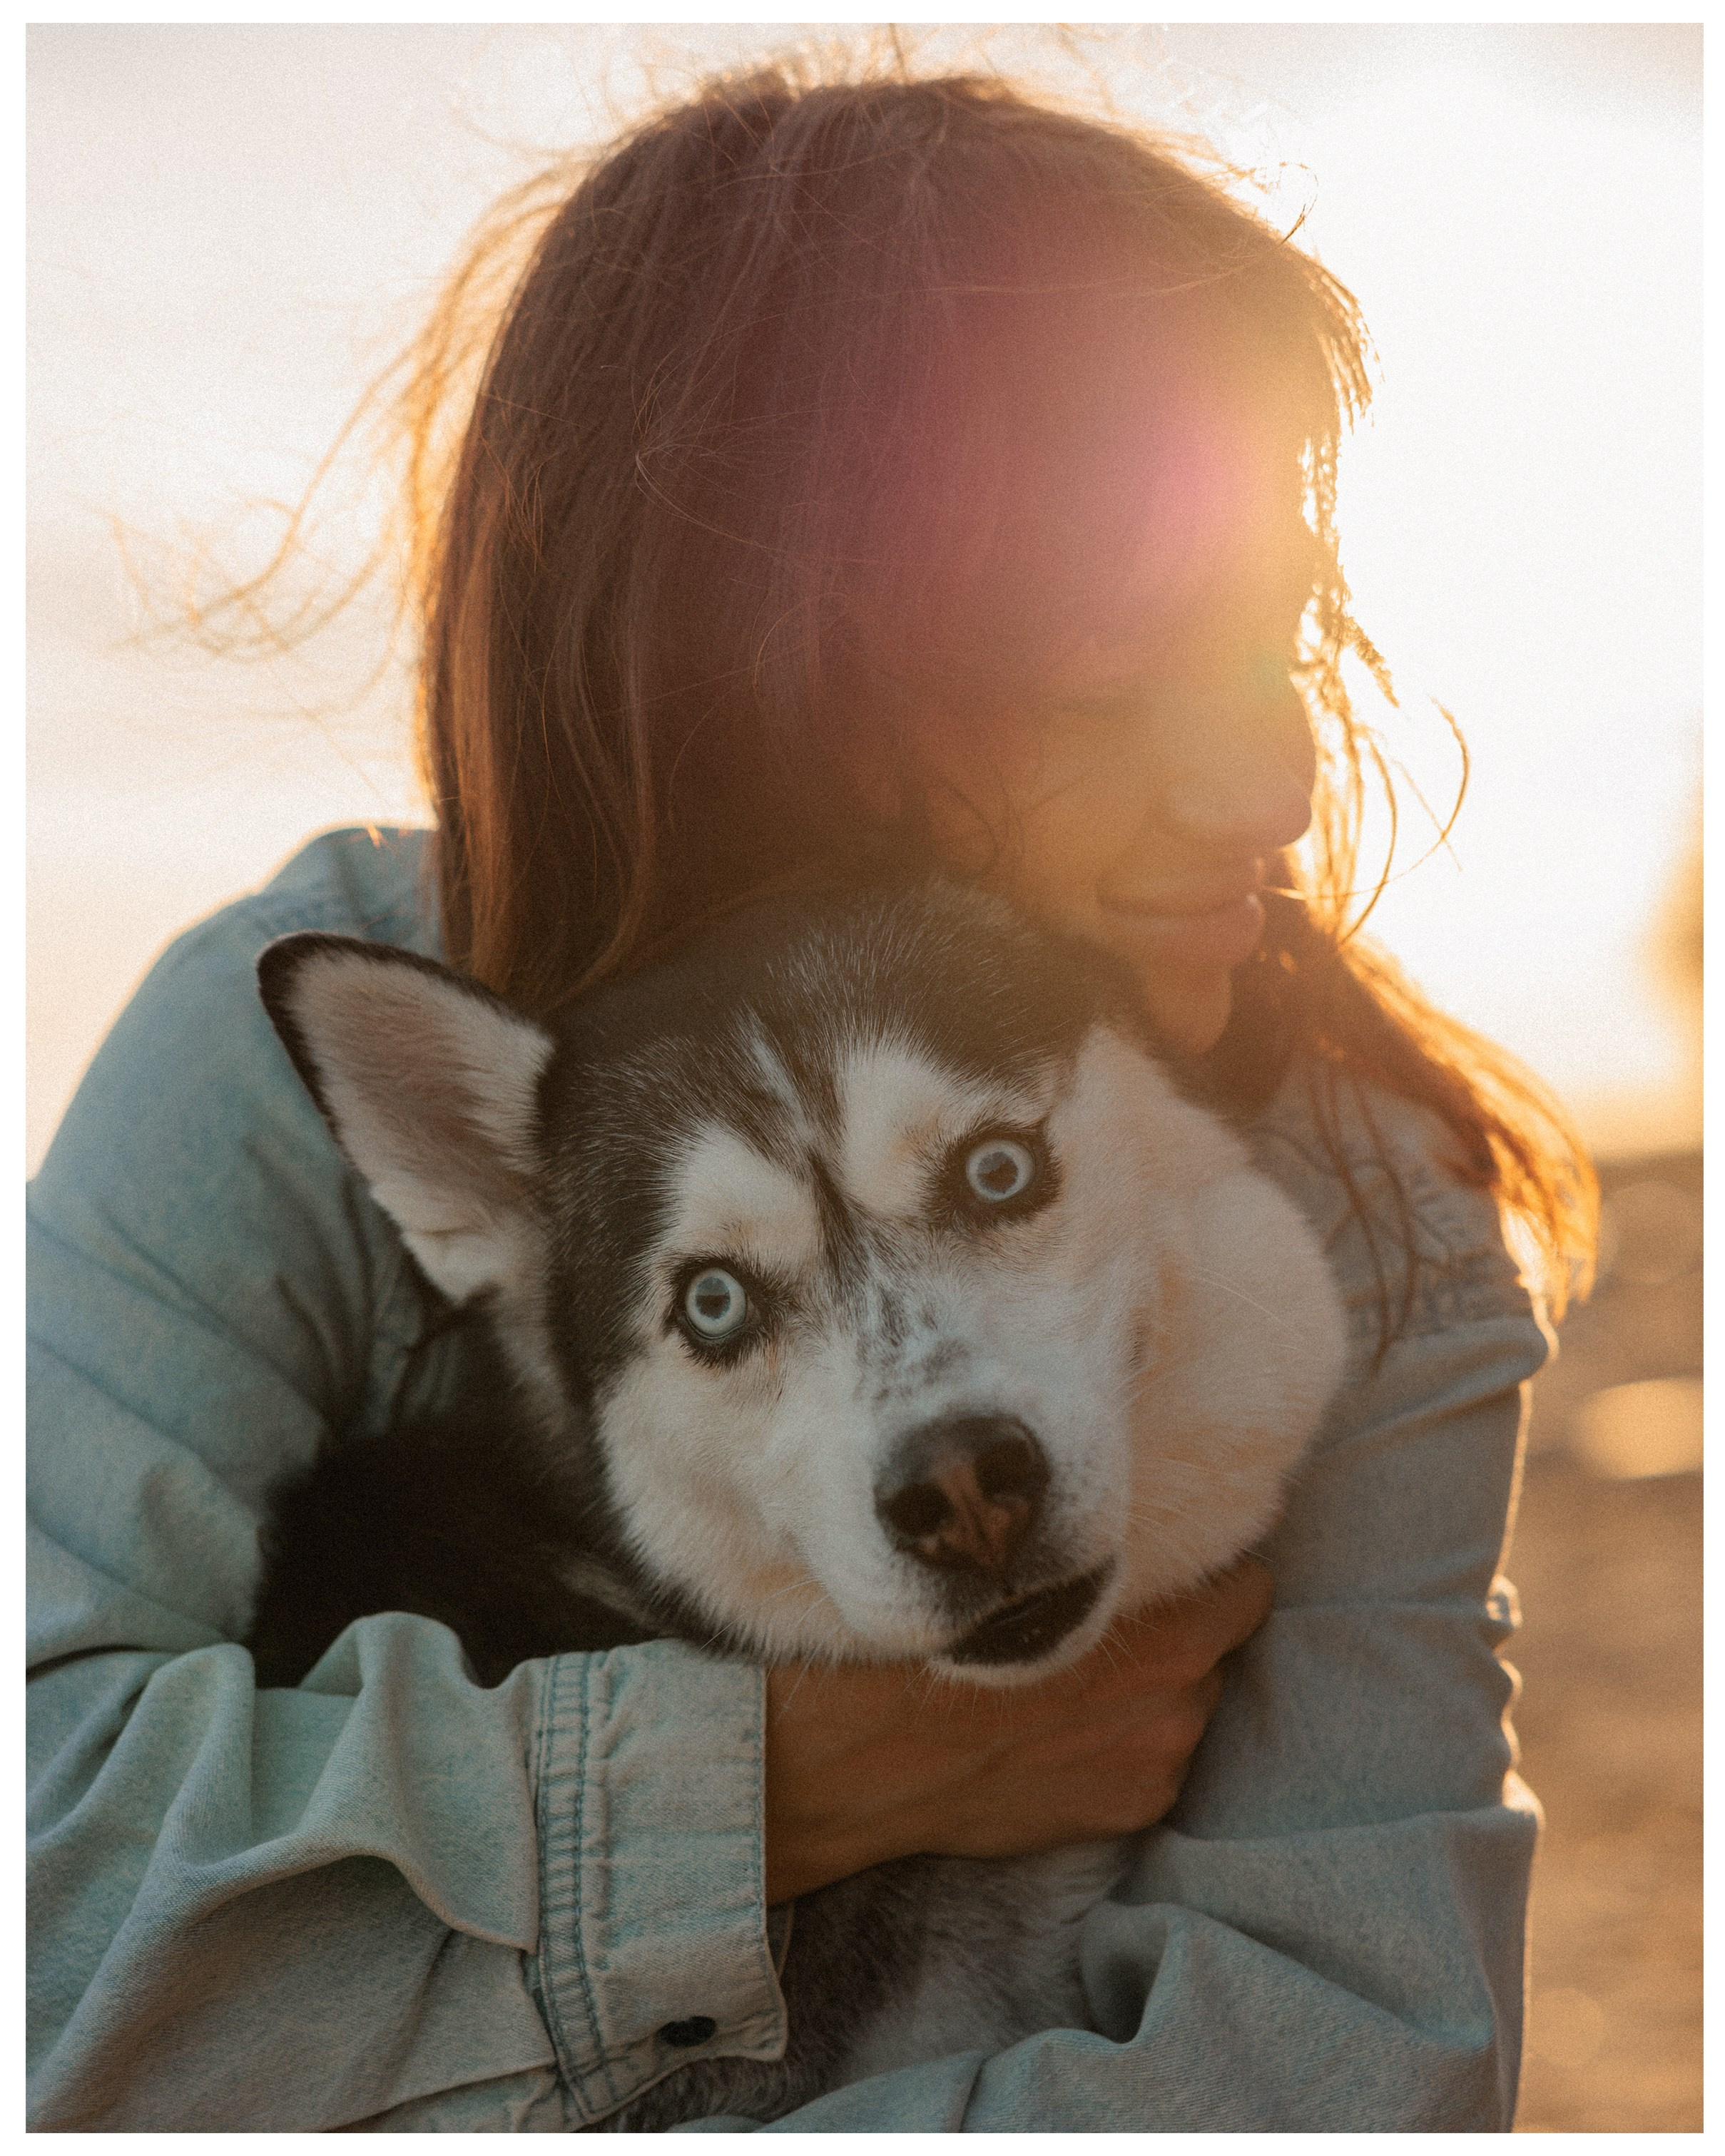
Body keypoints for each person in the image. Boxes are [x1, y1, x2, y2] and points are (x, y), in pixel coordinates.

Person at [26, 62, 1593, 2130]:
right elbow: (36, 1898)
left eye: (1272, 640)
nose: (1270, 786)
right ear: (748, 689)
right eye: (1103, 688)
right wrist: (758, 1790)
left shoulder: (1358, 1196)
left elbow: (1348, 2065)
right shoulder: (291, 1049)